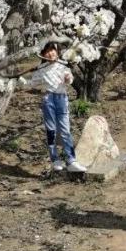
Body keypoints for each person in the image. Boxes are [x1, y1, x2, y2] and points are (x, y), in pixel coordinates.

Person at [20, 42, 87, 172]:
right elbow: (31, 84)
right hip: (48, 99)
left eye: (53, 50)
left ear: (57, 51)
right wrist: (19, 80)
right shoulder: (41, 69)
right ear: (43, 54)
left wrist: (68, 78)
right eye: (47, 51)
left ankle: (71, 160)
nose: (51, 53)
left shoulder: (63, 65)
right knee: (51, 130)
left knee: (65, 129)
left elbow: (70, 80)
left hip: (61, 98)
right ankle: (55, 160)